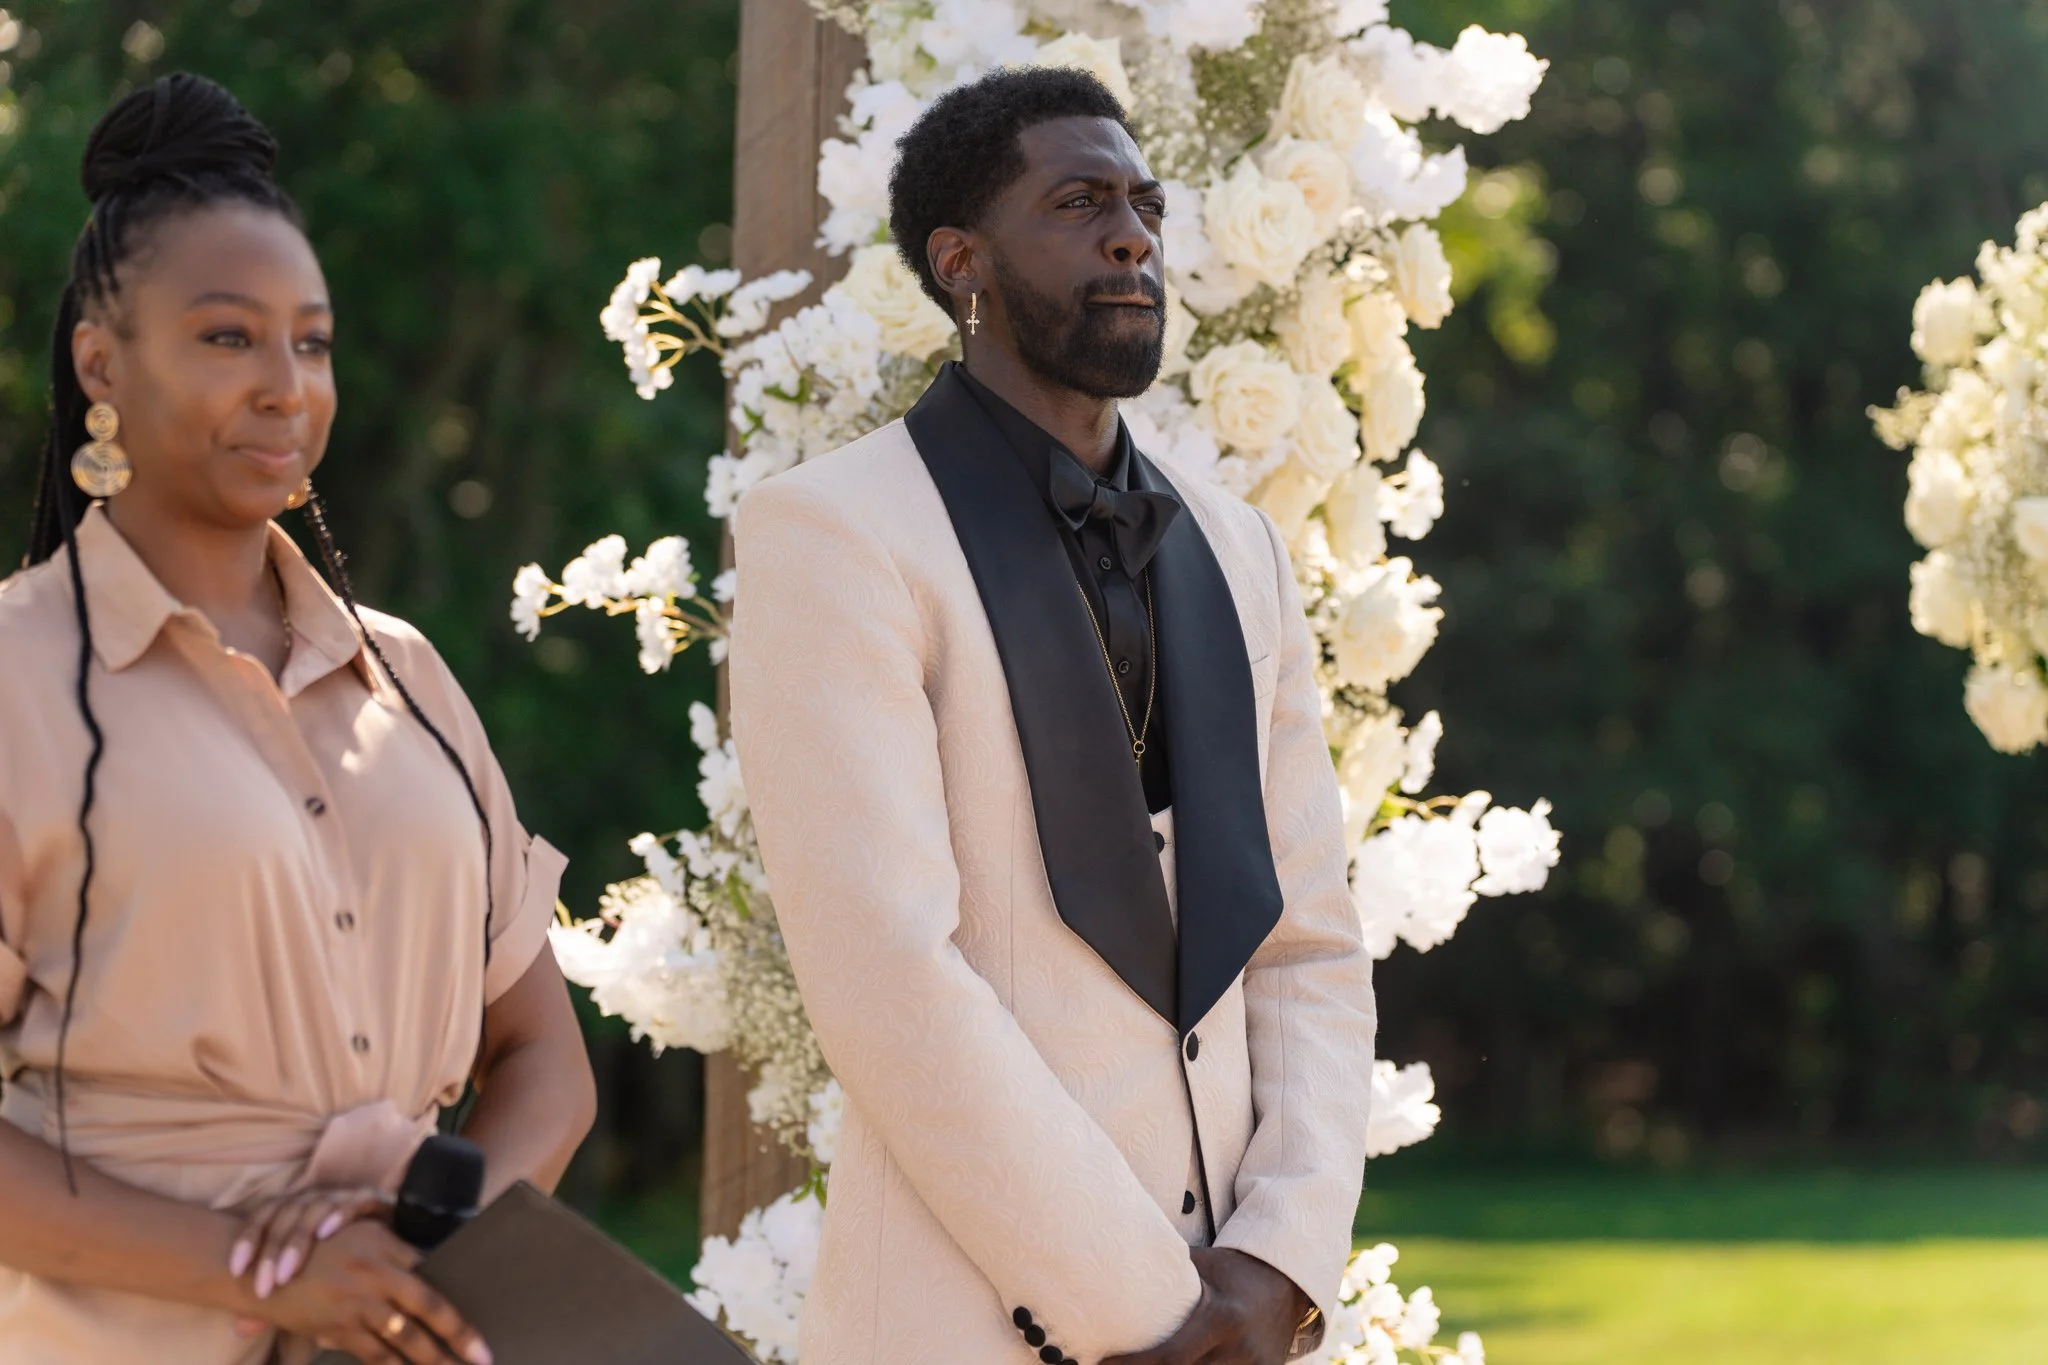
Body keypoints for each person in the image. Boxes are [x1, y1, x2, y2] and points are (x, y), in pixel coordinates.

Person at [729, 67, 1375, 1365]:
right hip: (971, 1327)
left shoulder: (1238, 546)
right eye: (1080, 203)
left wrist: (1277, 1266)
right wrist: (1163, 1314)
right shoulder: (834, 539)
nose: (1133, 233)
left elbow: (1305, 945)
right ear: (960, 262)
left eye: (1145, 202)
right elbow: (888, 983)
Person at [0, 74, 595, 1365]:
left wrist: (440, 1249)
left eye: (310, 341)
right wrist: (265, 1272)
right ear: (103, 361)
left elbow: (542, 1047)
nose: (285, 385)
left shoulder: (413, 681)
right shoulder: (15, 682)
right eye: (227, 338)